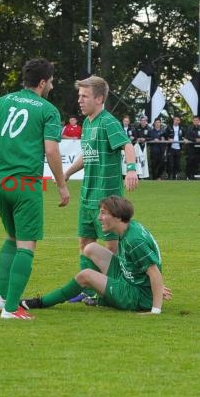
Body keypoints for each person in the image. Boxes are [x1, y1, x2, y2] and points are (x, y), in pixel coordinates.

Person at [0, 58, 70, 320]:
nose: (51, 85)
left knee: (11, 238)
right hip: (26, 185)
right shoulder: (48, 110)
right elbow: (51, 150)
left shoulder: (1, 102)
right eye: (51, 80)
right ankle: (11, 309)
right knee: (26, 246)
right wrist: (61, 186)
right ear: (42, 82)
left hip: (1, 183)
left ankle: (1, 297)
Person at [21, 196, 171, 314]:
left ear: (118, 217)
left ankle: (39, 302)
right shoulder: (129, 227)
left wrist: (155, 310)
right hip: (130, 280)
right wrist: (153, 286)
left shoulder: (135, 239)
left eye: (103, 213)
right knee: (90, 248)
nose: (99, 217)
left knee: (85, 275)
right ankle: (99, 297)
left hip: (136, 295)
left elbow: (154, 272)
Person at [64, 76, 138, 303]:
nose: (80, 100)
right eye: (79, 96)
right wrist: (66, 174)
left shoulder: (109, 122)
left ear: (99, 98)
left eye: (84, 96)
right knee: (85, 243)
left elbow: (127, 145)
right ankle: (86, 288)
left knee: (110, 247)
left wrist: (132, 170)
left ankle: (110, 290)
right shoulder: (87, 124)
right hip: (87, 196)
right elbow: (87, 155)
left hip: (107, 200)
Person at [165, 115, 185, 180]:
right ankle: (168, 176)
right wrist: (168, 138)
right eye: (175, 120)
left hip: (178, 148)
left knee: (177, 164)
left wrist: (184, 139)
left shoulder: (182, 128)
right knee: (170, 163)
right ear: (173, 120)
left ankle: (174, 177)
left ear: (179, 121)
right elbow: (164, 135)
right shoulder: (169, 127)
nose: (176, 121)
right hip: (171, 148)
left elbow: (184, 136)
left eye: (178, 120)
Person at [185, 115, 200, 180]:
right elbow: (187, 137)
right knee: (189, 163)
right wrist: (195, 140)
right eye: (194, 120)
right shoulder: (189, 128)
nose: (196, 121)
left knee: (196, 164)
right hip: (191, 149)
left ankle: (195, 177)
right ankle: (188, 177)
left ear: (199, 121)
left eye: (197, 120)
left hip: (198, 150)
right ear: (192, 121)